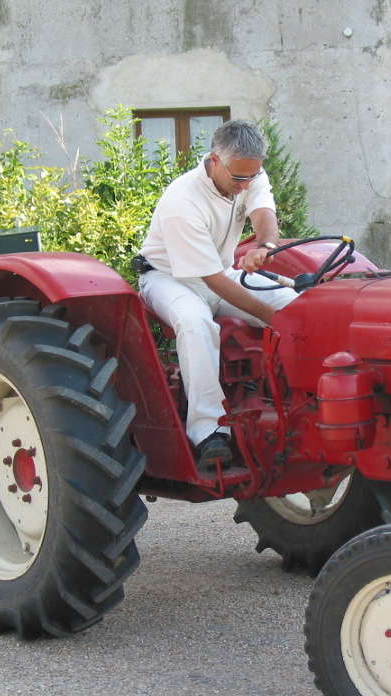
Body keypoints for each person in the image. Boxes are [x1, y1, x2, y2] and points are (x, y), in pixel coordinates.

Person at [137, 119, 299, 470]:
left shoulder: (249, 173)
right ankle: (209, 431)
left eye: (251, 178)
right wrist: (272, 319)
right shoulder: (182, 201)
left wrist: (265, 245)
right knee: (196, 323)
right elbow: (211, 281)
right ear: (214, 160)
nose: (244, 186)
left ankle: (297, 403)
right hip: (169, 279)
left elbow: (263, 213)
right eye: (237, 178)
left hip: (220, 271)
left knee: (297, 306)